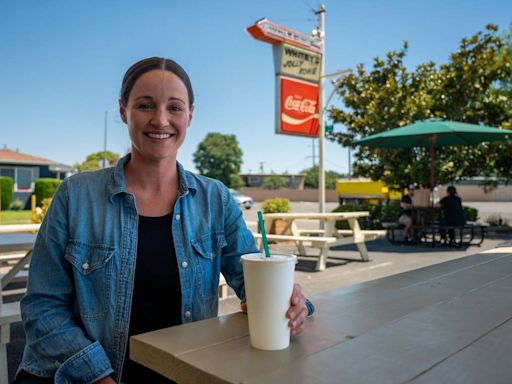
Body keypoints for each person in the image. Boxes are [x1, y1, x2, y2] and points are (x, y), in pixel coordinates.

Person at [15, 57, 312, 384]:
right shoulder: (75, 196)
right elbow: (42, 308)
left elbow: (253, 281)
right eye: (145, 105)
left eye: (174, 107)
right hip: (80, 376)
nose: (160, 120)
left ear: (190, 115)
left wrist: (292, 303)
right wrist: (98, 376)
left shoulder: (216, 199)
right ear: (122, 110)